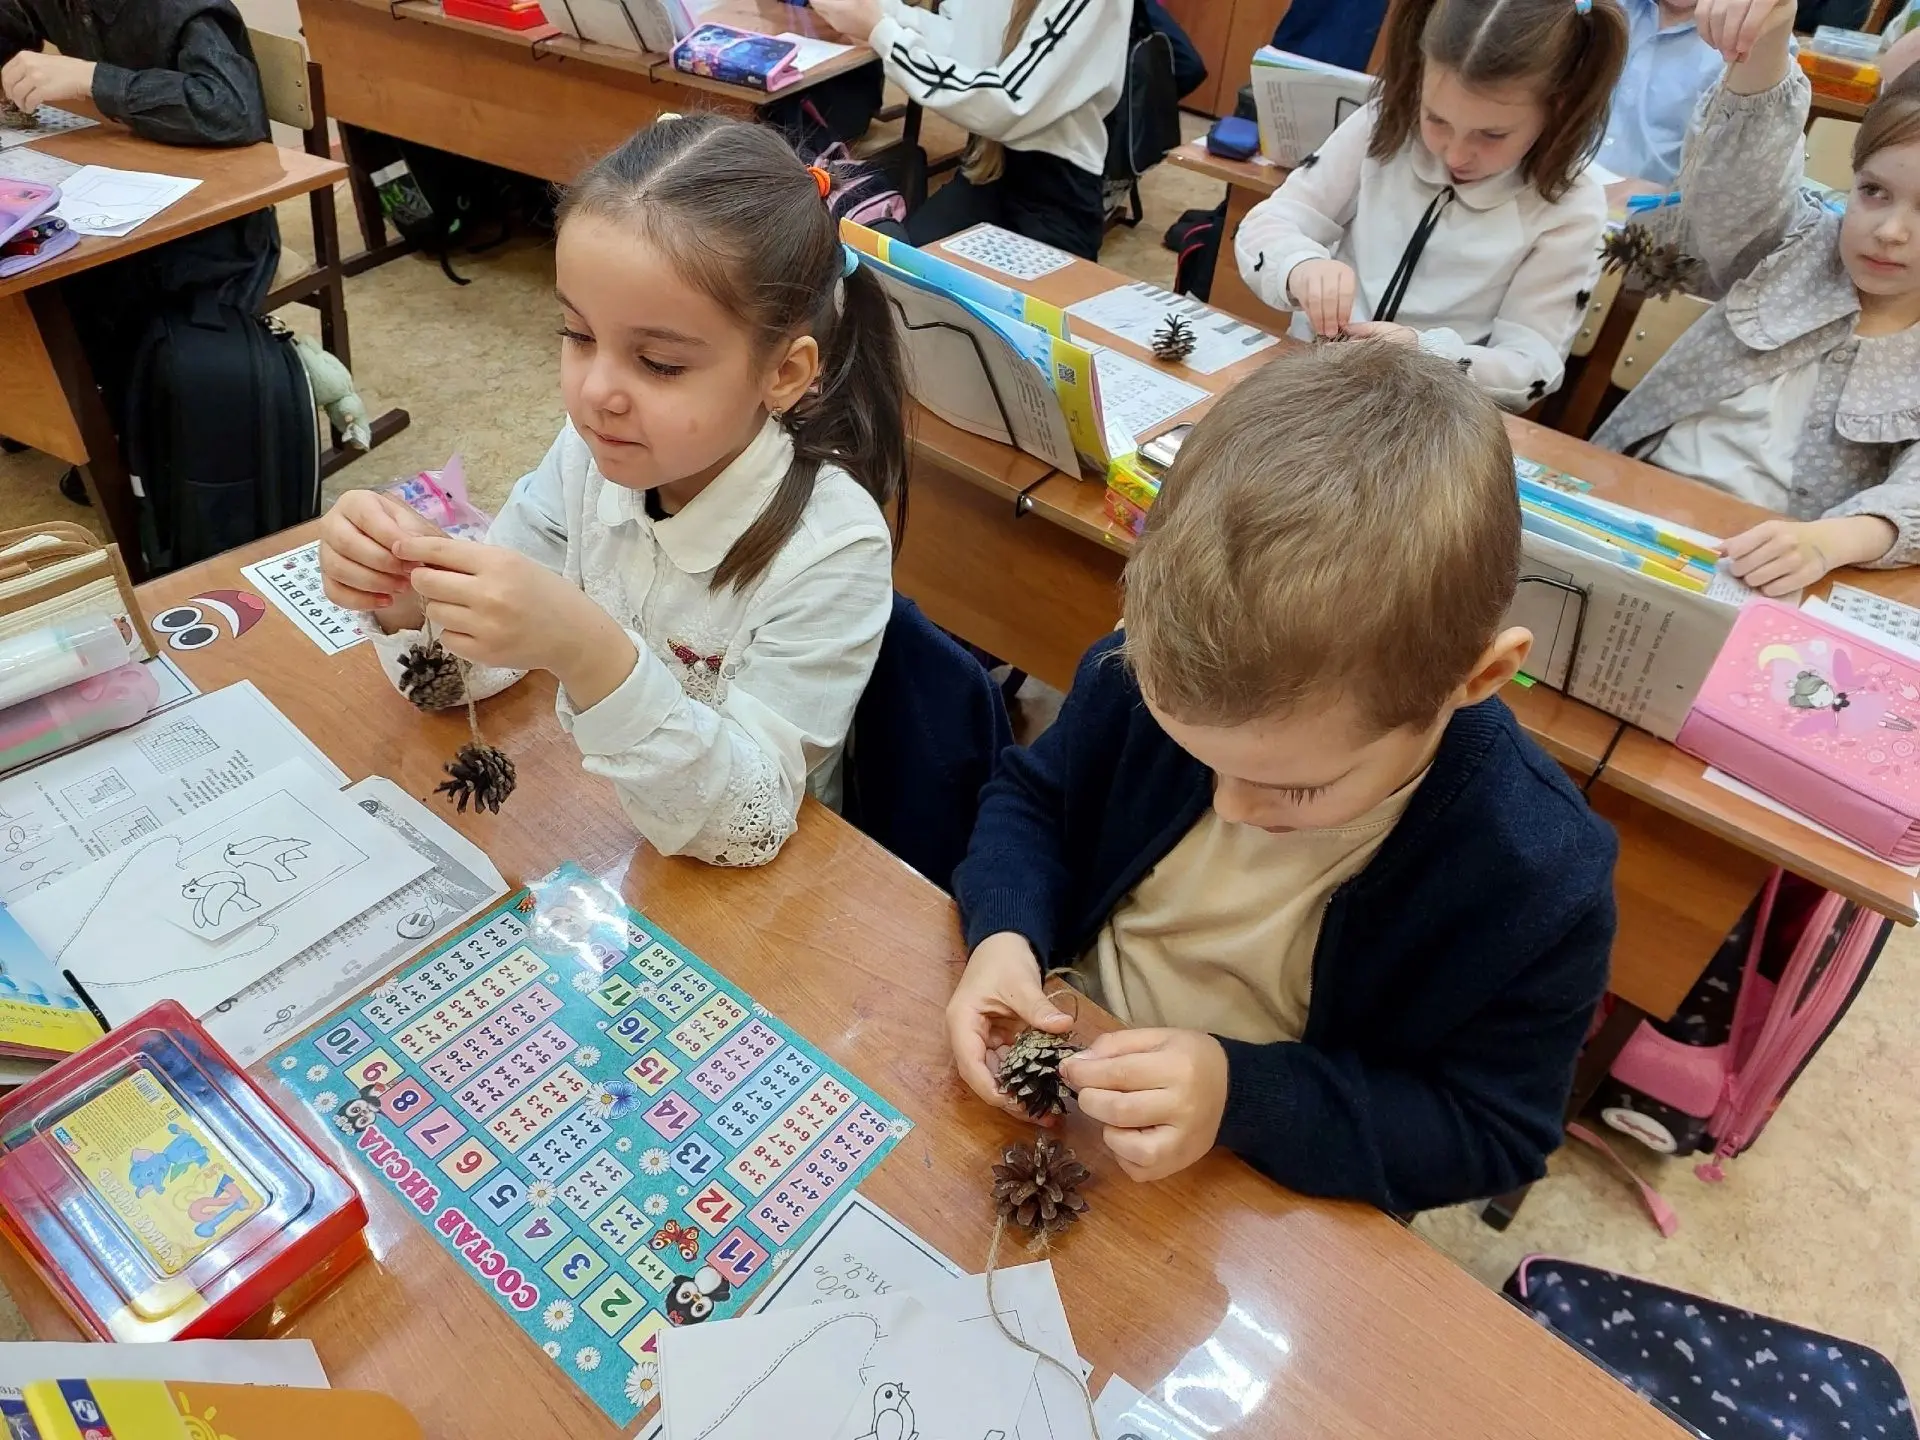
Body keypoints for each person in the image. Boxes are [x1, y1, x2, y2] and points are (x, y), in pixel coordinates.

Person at [946, 342, 1618, 1213]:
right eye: (1195, 755)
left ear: (1479, 678)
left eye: (1299, 789)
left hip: (1264, 1181)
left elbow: (1492, 1131)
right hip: (1069, 1058)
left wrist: (1243, 1097)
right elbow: (1036, 800)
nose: (1230, 806)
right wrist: (1006, 931)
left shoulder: (1539, 874)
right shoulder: (1141, 674)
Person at [317, 117, 907, 866]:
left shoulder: (832, 548)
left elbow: (745, 825)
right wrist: (408, 591)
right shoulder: (588, 456)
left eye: (659, 363)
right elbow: (476, 670)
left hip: (744, 887)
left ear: (784, 373)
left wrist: (589, 652)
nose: (597, 392)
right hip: (599, 830)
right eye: (578, 335)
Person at [1595, 0, 1920, 596]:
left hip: (1769, 578)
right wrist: (1765, 43)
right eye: (1874, 191)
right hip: (1630, 512)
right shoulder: (1794, 243)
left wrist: (1836, 539)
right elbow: (1739, 180)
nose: (1891, 231)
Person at [1233, 0, 1628, 410]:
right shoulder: (1384, 124)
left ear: (1558, 107)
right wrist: (1299, 266)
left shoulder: (1570, 206)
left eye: (1492, 135)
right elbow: (1271, 222)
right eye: (1436, 119)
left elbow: (1532, 366)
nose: (1455, 154)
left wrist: (1426, 352)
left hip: (1429, 416)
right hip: (1311, 380)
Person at [0, 0, 277, 500]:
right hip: (121, 179)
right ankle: (53, 413)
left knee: (72, 291)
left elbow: (232, 110)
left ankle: (127, 442)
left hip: (213, 224)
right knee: (31, 264)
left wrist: (91, 79)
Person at [807, 0, 1129, 260]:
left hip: (1055, 194)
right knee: (899, 280)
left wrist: (882, 32)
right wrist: (874, 13)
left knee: (1020, 319)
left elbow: (1007, 102)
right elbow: (962, 41)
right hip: (987, 170)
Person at [1597, 0, 1724, 191]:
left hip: (1649, 206)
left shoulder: (1744, 50)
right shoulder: (1604, 6)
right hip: (1559, 181)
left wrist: (1666, 198)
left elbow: (1731, 188)